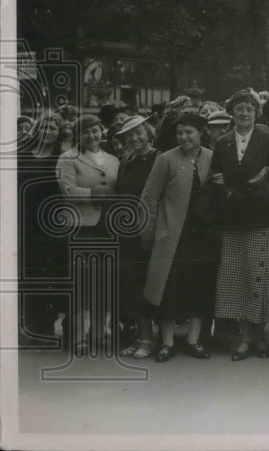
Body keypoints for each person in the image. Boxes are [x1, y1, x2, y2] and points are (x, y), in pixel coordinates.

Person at [211, 89, 269, 361]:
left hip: (260, 217)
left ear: (256, 113)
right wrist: (229, 197)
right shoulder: (223, 142)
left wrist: (256, 198)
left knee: (259, 276)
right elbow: (216, 176)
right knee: (236, 277)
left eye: (249, 109)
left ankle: (261, 336)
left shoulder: (268, 139)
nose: (243, 113)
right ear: (232, 112)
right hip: (232, 218)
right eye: (239, 108)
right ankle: (244, 337)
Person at [138, 113, 217, 362]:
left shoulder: (212, 158)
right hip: (171, 235)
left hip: (201, 236)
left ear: (201, 133)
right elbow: (149, 198)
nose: (184, 137)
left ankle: (194, 340)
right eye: (179, 132)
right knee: (168, 289)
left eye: (189, 132)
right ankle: (167, 342)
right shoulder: (165, 159)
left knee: (198, 287)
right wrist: (149, 232)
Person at [56, 113, 121, 352]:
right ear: (77, 135)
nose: (92, 135)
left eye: (96, 130)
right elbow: (68, 190)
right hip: (81, 226)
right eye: (86, 131)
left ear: (102, 131)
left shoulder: (114, 159)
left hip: (107, 227)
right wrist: (95, 194)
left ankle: (99, 330)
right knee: (81, 283)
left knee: (104, 281)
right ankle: (77, 335)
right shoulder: (67, 158)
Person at [113, 115, 160, 359]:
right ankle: (140, 336)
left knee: (151, 286)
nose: (135, 138)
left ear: (149, 132)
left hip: (151, 231)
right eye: (130, 135)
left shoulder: (160, 158)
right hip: (127, 232)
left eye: (139, 132)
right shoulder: (127, 159)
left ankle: (152, 339)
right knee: (132, 285)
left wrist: (150, 231)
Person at [17, 111, 66, 339]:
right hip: (24, 221)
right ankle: (28, 325)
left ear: (59, 133)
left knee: (48, 275)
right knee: (25, 273)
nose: (48, 132)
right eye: (44, 127)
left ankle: (46, 325)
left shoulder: (63, 157)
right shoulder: (22, 153)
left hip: (49, 224)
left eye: (53, 128)